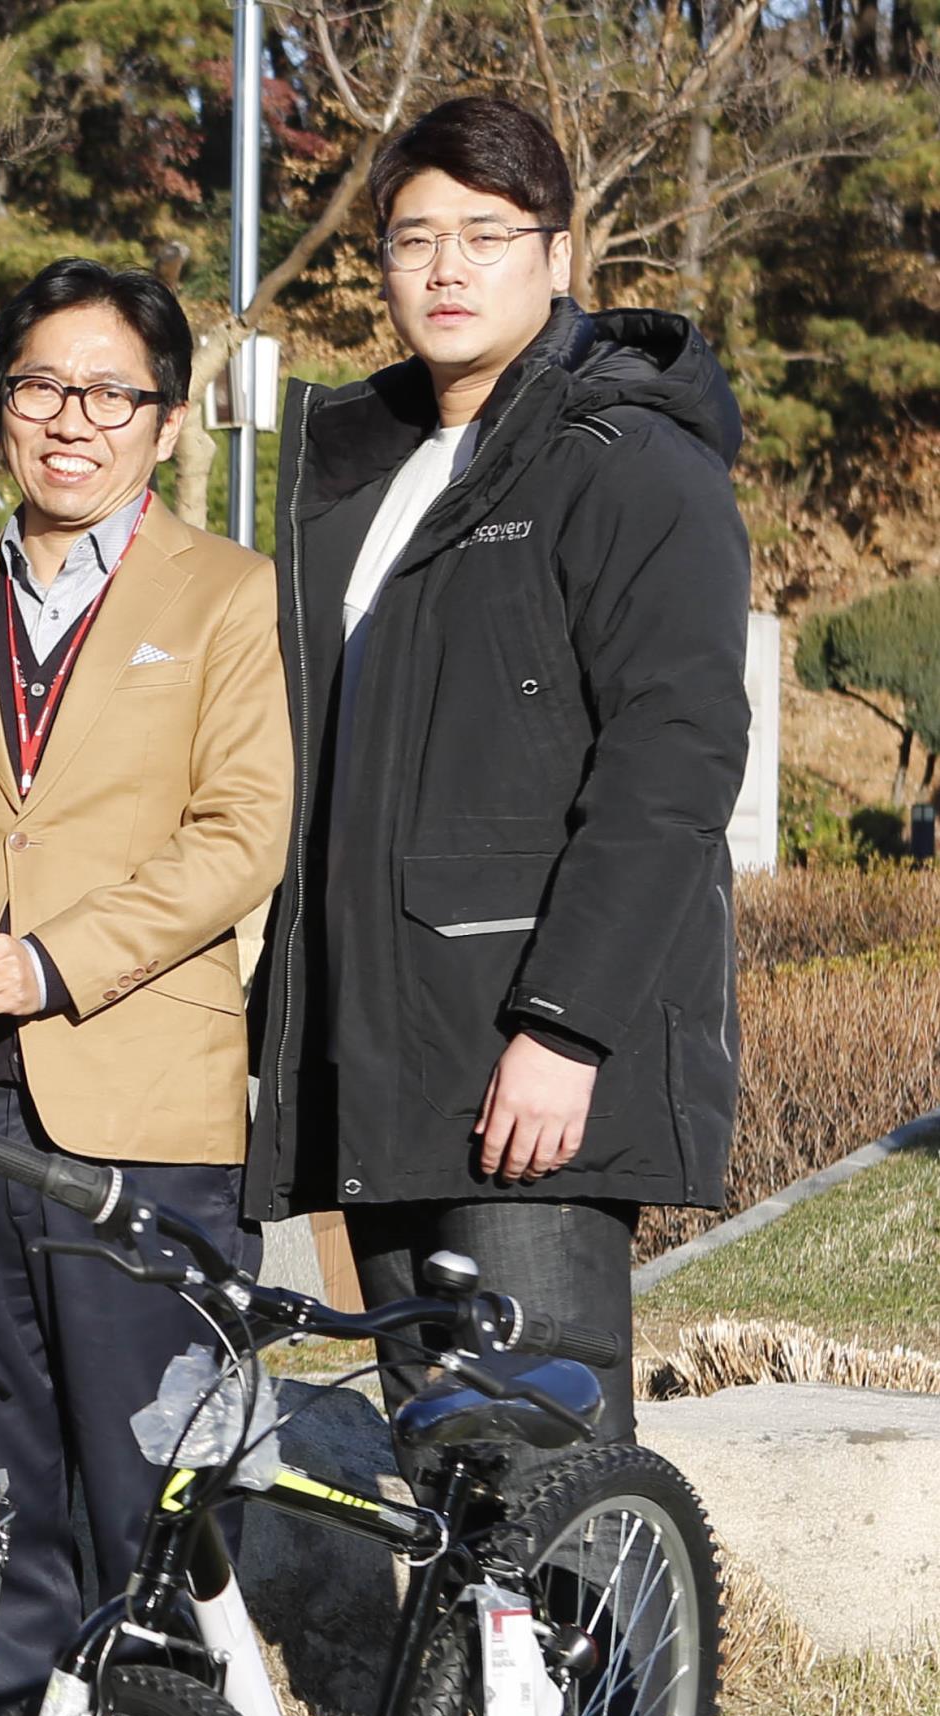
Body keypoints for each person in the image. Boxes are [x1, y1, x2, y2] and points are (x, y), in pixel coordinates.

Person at [246, 94, 748, 1474]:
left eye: (487, 232)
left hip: (528, 1062)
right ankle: (477, 1708)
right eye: (416, 237)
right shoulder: (369, 475)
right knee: (449, 1477)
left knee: (546, 1473)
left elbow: (676, 758)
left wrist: (568, 1027)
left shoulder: (632, 462)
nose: (448, 267)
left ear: (561, 253)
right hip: (386, 1057)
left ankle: (623, 1701)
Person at [0, 260, 292, 1716]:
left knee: (144, 1497)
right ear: (2, 409)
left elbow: (243, 833)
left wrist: (49, 961)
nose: (71, 420)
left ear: (165, 422)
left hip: (136, 1106)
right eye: (41, 386)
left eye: (111, 394)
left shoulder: (231, 596)